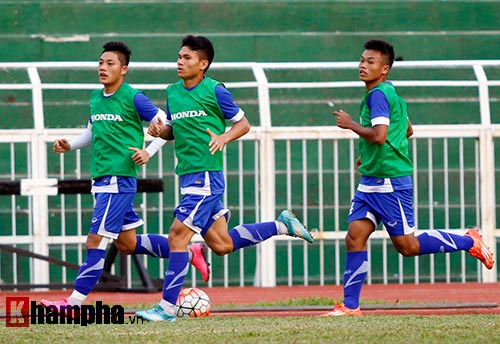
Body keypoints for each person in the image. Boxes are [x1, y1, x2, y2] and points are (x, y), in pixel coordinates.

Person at [135, 35, 314, 322]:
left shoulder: (215, 90)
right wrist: (159, 133)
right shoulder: (173, 91)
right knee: (221, 245)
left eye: (187, 58)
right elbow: (172, 130)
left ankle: (167, 308)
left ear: (203, 64)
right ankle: (282, 225)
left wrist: (224, 137)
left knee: (177, 236)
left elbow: (243, 124)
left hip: (206, 178)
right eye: (179, 57)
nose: (180, 62)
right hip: (189, 177)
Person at [322, 39, 494, 317]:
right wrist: (368, 156)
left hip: (391, 184)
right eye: (362, 60)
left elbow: (379, 136)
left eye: (371, 62)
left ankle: (469, 240)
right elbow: (407, 130)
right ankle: (351, 306)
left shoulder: (378, 95)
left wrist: (350, 124)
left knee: (408, 246)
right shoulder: (390, 93)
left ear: (385, 68)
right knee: (355, 237)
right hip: (370, 181)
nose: (363, 65)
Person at [41, 41, 210, 311]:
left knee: (95, 240)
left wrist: (148, 152)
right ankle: (189, 252)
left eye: (110, 64)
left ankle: (72, 303)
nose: (103, 68)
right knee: (127, 243)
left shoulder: (134, 97)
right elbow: (91, 131)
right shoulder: (96, 98)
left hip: (118, 180)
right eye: (100, 63)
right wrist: (70, 145)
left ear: (124, 69)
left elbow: (167, 125)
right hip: (101, 179)